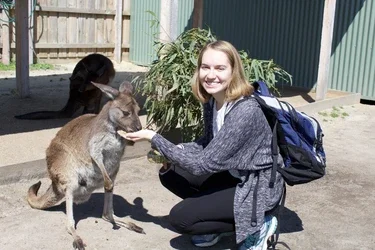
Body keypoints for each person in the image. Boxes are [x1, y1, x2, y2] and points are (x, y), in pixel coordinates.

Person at [123, 40, 285, 250]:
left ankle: (259, 223)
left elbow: (202, 165)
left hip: (257, 187)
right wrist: (178, 150)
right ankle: (218, 224)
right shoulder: (213, 101)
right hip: (234, 174)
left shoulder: (245, 111)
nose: (210, 74)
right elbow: (207, 143)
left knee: (180, 218)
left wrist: (154, 137)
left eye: (220, 68)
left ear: (234, 71)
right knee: (170, 173)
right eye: (205, 67)